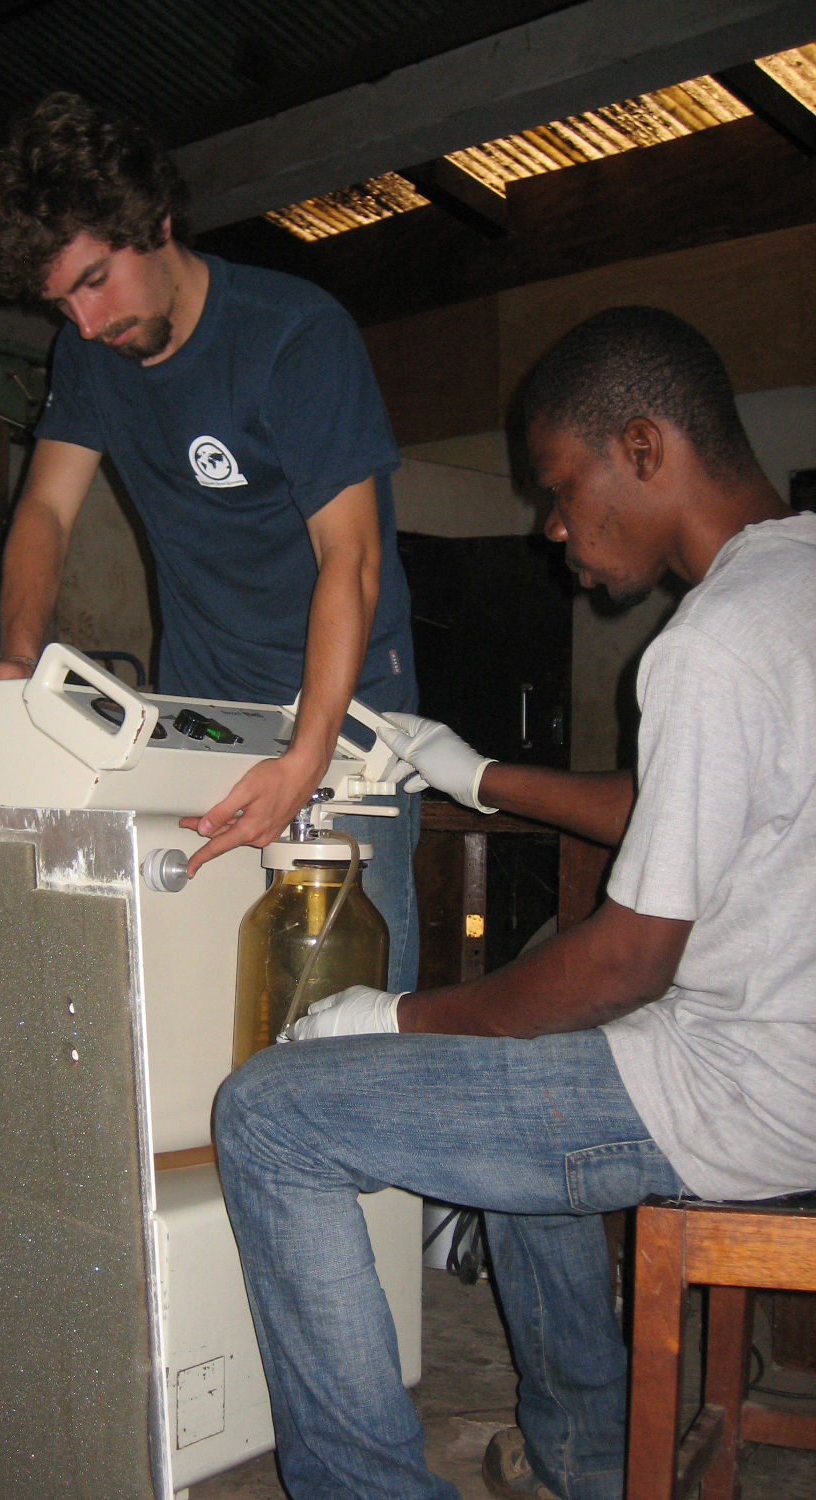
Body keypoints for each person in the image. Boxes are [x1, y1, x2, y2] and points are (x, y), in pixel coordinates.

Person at [213, 305, 816, 1500]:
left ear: (642, 448)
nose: (553, 527)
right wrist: (477, 773)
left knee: (271, 1115)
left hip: (746, 1093)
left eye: (559, 486)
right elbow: (677, 807)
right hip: (794, 1052)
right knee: (537, 976)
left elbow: (629, 961)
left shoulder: (712, 644)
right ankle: (583, 1454)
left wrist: (398, 1018)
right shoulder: (794, 586)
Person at [0, 91, 420, 991]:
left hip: (347, 738)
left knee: (347, 1022)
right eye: (58, 303)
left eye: (93, 281)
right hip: (201, 721)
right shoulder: (88, 359)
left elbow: (350, 559)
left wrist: (306, 757)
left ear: (153, 222)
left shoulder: (292, 335)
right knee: (196, 1006)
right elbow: (44, 514)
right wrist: (21, 662)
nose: (85, 324)